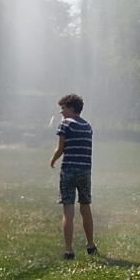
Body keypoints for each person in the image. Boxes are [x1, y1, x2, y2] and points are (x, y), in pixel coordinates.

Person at [48, 92, 96, 258]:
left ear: (71, 108)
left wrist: (52, 160)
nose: (61, 112)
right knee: (85, 207)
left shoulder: (65, 124)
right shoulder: (88, 126)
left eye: (63, 108)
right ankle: (90, 244)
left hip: (69, 169)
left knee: (68, 208)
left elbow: (60, 148)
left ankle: (68, 250)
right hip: (85, 170)